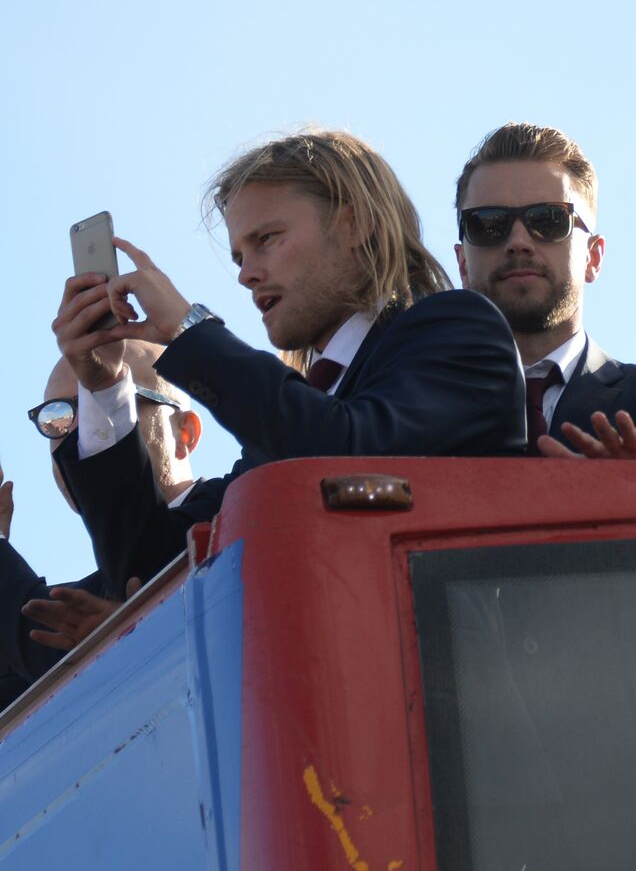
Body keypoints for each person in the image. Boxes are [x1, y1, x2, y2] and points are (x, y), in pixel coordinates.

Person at [51, 130, 525, 592]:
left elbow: (345, 453)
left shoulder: (458, 329)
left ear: (355, 224)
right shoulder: (281, 431)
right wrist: (105, 384)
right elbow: (146, 570)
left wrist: (189, 331)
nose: (246, 275)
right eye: (239, 256)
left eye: (267, 239)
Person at [454, 122, 636, 462]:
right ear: (463, 262)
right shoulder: (420, 409)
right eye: (489, 223)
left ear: (592, 257)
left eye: (549, 220)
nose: (518, 242)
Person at [1, 344, 201, 707]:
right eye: (57, 417)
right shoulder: (83, 597)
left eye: (105, 398)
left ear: (184, 431)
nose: (78, 434)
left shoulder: (236, 505)